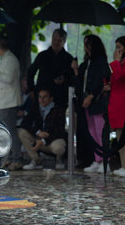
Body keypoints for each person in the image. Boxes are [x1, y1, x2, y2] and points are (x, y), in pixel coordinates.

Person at [71, 34, 111, 173]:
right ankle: (97, 159)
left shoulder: (100, 61)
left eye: (88, 44)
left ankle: (105, 160)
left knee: (100, 131)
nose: (86, 47)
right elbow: (80, 82)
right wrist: (76, 70)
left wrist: (92, 95)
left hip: (96, 102)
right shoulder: (86, 63)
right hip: (87, 102)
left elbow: (103, 79)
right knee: (92, 131)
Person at [0, 36, 22, 171]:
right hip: (5, 102)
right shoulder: (6, 59)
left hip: (9, 102)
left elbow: (8, 78)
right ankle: (10, 157)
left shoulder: (10, 59)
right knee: (7, 131)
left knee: (10, 131)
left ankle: (17, 159)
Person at [18, 88, 67, 170]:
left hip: (53, 139)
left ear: (51, 99)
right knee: (22, 132)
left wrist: (44, 140)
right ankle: (36, 160)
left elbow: (61, 131)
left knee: (58, 147)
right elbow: (24, 123)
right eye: (40, 97)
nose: (42, 100)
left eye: (45, 97)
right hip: (38, 140)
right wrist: (37, 132)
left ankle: (59, 159)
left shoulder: (58, 110)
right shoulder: (36, 108)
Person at [27, 28, 73, 109]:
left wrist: (64, 79)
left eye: (59, 40)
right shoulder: (42, 56)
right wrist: (31, 90)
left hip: (60, 96)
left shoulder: (69, 59)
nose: (56, 43)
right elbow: (31, 72)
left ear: (64, 42)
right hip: (42, 95)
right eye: (54, 39)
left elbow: (72, 77)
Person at [104, 36, 125, 177]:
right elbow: (115, 80)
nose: (117, 50)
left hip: (122, 106)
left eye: (119, 47)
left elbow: (119, 76)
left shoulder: (121, 63)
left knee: (123, 139)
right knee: (119, 139)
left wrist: (116, 62)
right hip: (117, 106)